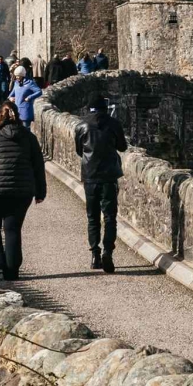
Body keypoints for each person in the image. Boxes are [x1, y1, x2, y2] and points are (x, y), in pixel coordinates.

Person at [0, 102, 47, 281]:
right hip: (21, 193)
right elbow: (38, 166)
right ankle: (12, 270)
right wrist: (40, 192)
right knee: (13, 229)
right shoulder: (28, 136)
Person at [73, 95, 128, 273]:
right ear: (105, 108)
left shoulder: (81, 125)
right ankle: (108, 252)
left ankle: (95, 255)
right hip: (109, 176)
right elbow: (122, 147)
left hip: (90, 176)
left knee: (92, 217)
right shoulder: (113, 123)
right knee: (110, 217)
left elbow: (79, 150)